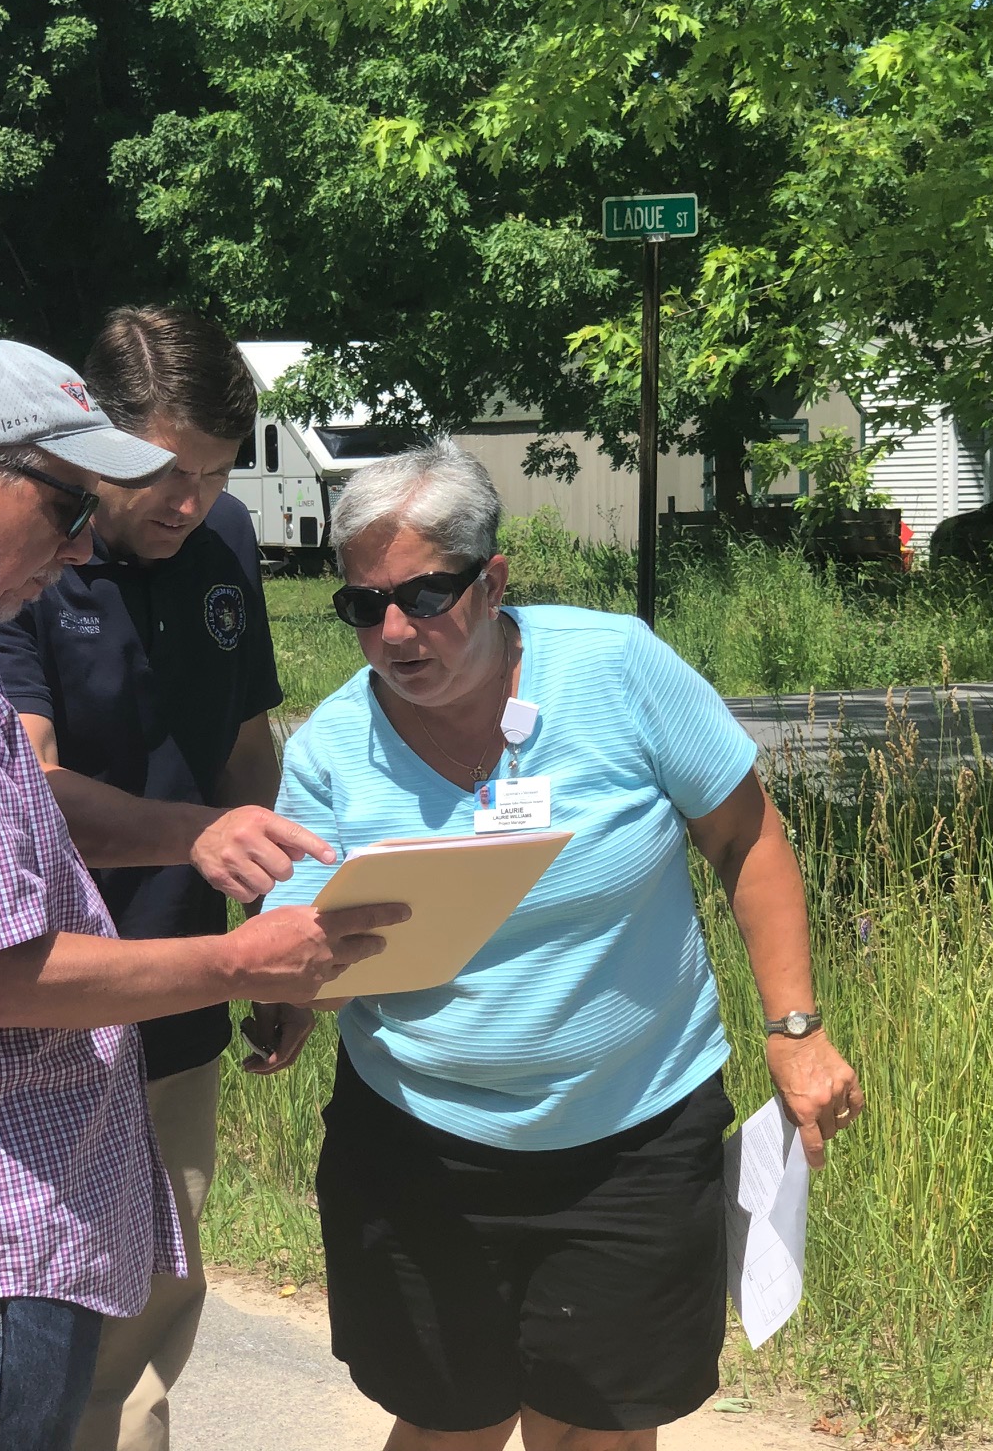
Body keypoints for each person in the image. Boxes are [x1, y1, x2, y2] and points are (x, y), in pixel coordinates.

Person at [0, 335, 403, 1450]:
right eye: (66, 507)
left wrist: (197, 833)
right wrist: (243, 961)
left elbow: (16, 802)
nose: (85, 536)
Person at [262, 445, 864, 1451]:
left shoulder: (615, 668)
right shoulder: (330, 750)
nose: (395, 633)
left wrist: (795, 1028)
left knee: (600, 1428)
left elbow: (747, 837)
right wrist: (290, 992)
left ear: (493, 580)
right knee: (450, 1423)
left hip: (635, 1136)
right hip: (418, 1147)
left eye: (425, 595)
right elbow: (296, 956)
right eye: (365, 607)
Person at [0, 308, 325, 1451]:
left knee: (151, 1315)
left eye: (217, 474)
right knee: (41, 1329)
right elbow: (26, 787)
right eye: (168, 475)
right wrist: (192, 836)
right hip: (49, 999)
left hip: (188, 987)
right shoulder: (29, 558)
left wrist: (277, 926)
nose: (191, 502)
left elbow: (243, 745)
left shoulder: (223, 540)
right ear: (101, 442)